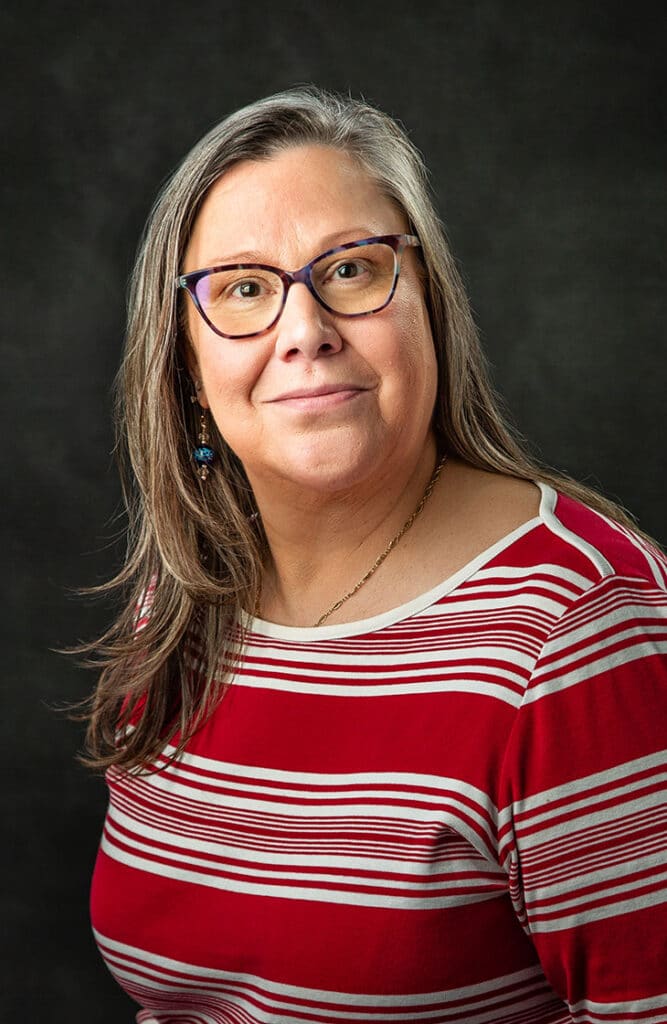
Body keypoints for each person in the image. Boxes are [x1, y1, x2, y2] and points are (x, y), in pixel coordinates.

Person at [85, 87, 667, 1022]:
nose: (303, 330)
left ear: (428, 302)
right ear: (185, 366)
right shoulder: (186, 597)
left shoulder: (579, 626)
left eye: (351, 271)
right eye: (243, 289)